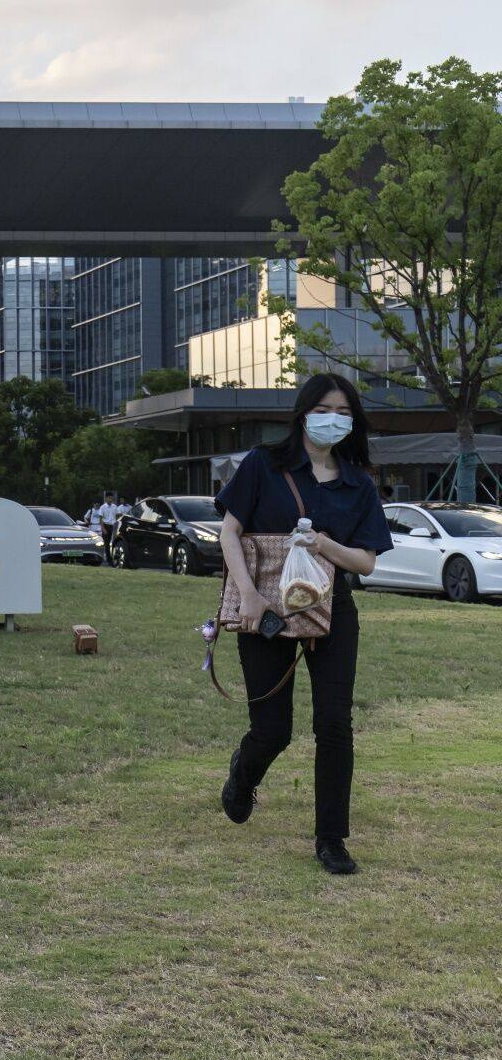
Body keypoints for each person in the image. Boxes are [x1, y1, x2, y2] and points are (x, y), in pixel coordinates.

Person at [214, 373, 392, 875]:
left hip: (331, 610)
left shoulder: (358, 482)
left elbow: (367, 562)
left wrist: (325, 547)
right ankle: (242, 776)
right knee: (273, 731)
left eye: (343, 412)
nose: (332, 419)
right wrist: (247, 595)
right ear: (303, 412)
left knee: (334, 725)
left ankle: (331, 839)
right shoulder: (263, 465)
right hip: (265, 608)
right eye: (324, 409)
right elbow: (230, 531)